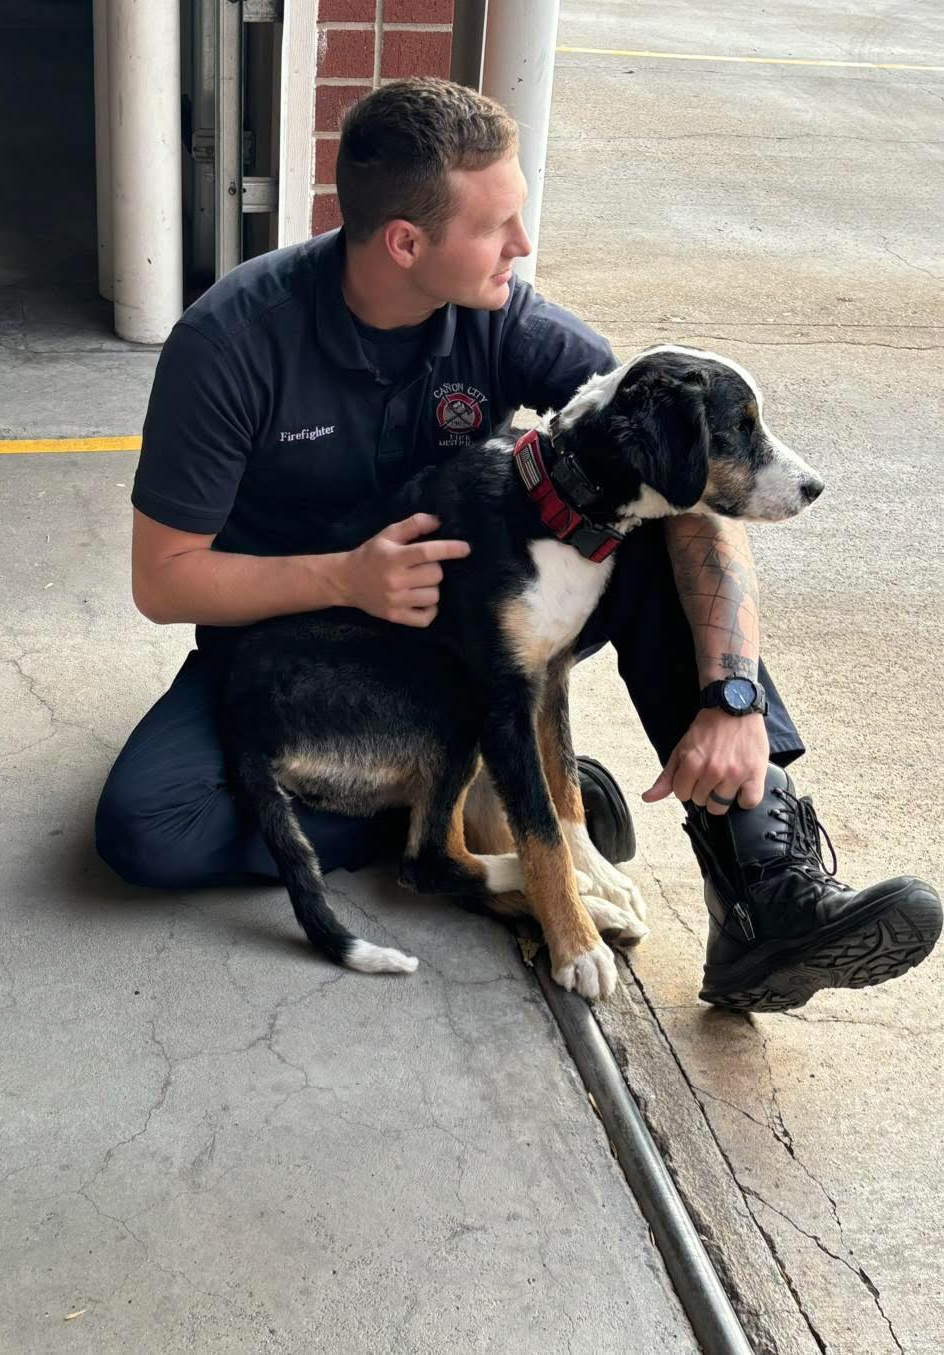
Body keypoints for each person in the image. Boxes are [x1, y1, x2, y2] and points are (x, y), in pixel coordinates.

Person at [95, 77, 940, 1011]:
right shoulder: (233, 343)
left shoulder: (507, 316)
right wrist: (343, 577)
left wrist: (735, 694)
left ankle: (764, 884)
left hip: (478, 636)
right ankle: (476, 800)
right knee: (148, 827)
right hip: (307, 640)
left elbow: (688, 470)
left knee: (659, 527)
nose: (524, 246)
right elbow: (163, 580)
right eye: (497, 225)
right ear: (407, 242)